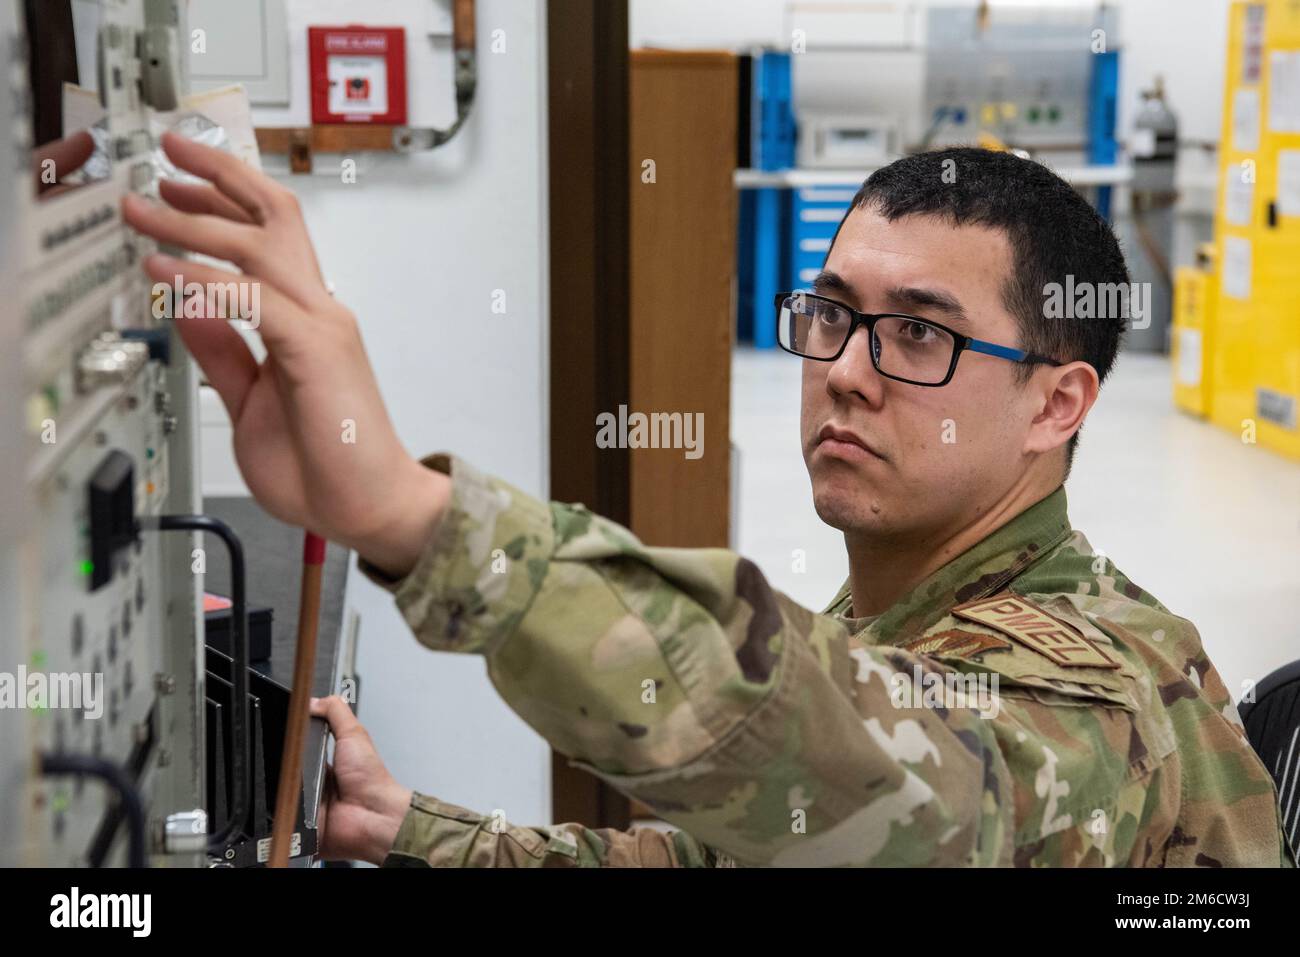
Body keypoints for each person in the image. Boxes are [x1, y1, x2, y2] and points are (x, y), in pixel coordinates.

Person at [122, 133, 1294, 867]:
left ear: (1057, 405)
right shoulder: (906, 615)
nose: (843, 368)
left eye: (921, 335)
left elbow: (896, 795)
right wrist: (415, 833)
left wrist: (410, 514)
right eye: (832, 312)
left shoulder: (1089, 689)